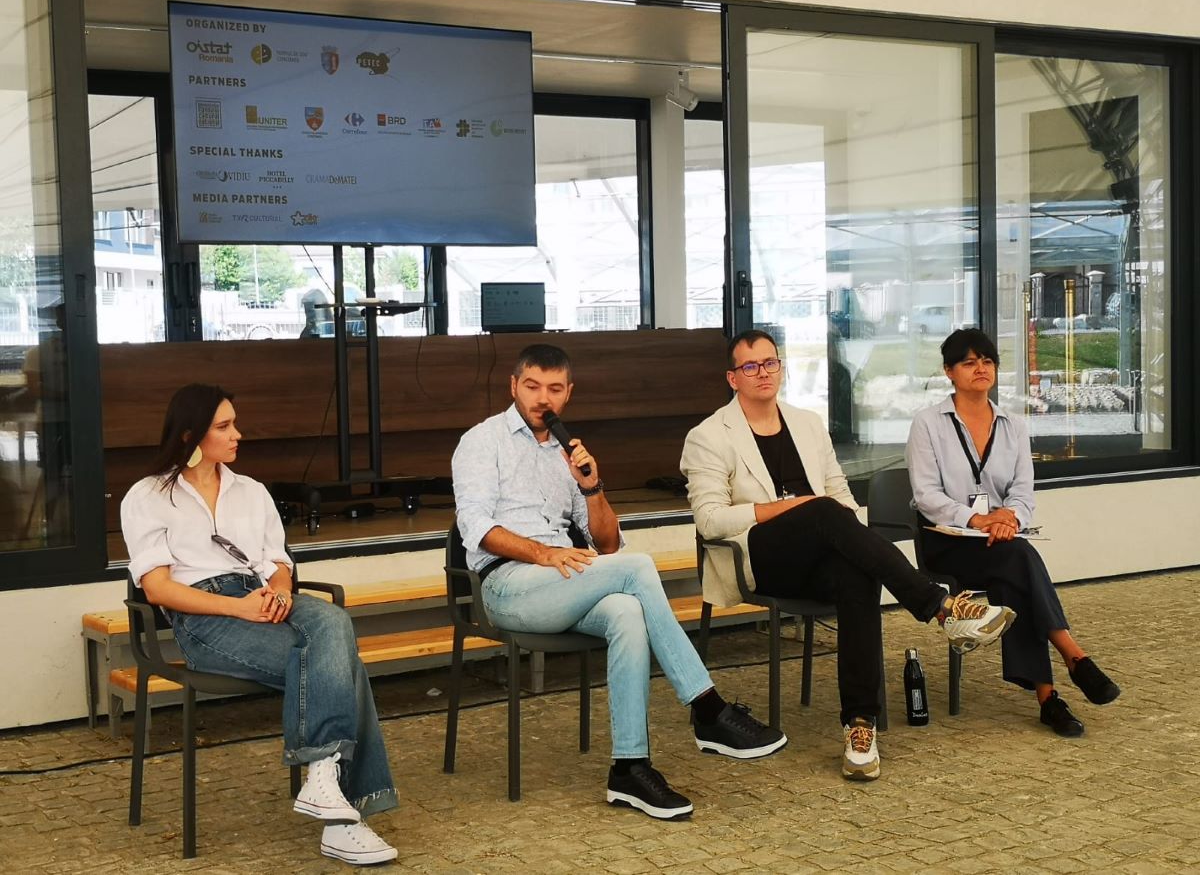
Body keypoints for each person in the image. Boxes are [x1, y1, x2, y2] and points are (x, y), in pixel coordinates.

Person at [451, 344, 787, 821]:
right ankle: (708, 708)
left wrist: (591, 486)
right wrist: (545, 552)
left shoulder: (567, 453)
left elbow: (607, 544)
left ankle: (629, 768)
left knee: (628, 611)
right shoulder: (482, 442)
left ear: (568, 393)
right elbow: (476, 527)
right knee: (637, 568)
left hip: (564, 582)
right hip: (506, 586)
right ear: (513, 386)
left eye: (553, 389)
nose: (542, 398)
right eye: (532, 386)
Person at [680, 329, 1015, 781]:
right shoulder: (708, 436)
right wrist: (790, 508)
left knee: (856, 572)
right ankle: (940, 605)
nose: (763, 373)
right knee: (820, 509)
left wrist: (830, 520)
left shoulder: (807, 423)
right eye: (750, 366)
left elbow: (842, 498)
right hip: (758, 558)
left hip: (817, 555)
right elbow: (709, 521)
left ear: (781, 367)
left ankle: (860, 725)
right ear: (732, 378)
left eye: (770, 362)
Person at [120, 384, 398, 865]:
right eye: (224, 426)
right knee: (343, 667)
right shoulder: (148, 496)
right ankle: (342, 816)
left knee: (332, 619)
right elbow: (158, 589)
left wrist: (281, 592)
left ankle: (324, 782)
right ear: (190, 434)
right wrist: (239, 609)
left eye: (235, 424)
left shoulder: (251, 491)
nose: (237, 435)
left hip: (264, 597)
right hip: (205, 617)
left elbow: (277, 562)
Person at [906, 328, 1120, 737]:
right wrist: (977, 520)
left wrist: (1009, 519)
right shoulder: (928, 423)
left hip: (999, 541)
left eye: (987, 361)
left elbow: (1023, 492)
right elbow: (926, 495)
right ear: (949, 371)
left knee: (1015, 571)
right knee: (1019, 560)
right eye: (969, 362)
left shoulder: (1013, 425)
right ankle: (1073, 656)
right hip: (947, 541)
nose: (981, 368)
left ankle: (1049, 697)